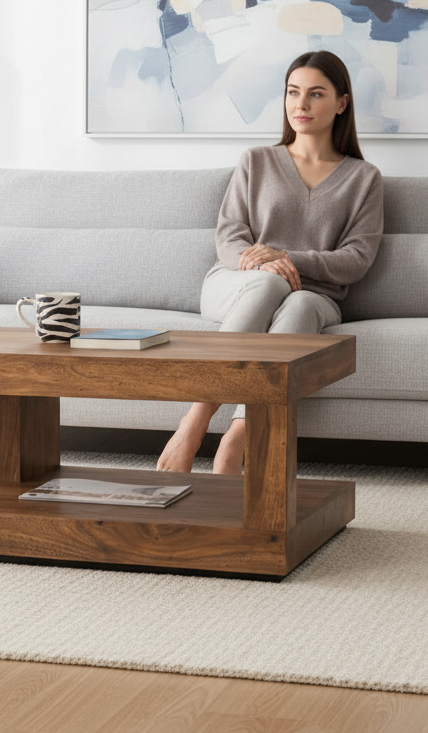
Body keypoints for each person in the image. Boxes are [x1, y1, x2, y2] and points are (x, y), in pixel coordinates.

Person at [157, 50, 384, 475]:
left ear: (341, 103)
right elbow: (229, 238)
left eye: (315, 94)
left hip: (315, 297)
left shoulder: (363, 178)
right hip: (238, 284)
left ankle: (239, 435)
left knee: (295, 302)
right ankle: (196, 419)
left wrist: (285, 257)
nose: (301, 104)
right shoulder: (256, 161)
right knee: (269, 285)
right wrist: (263, 268)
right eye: (293, 92)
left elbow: (356, 260)